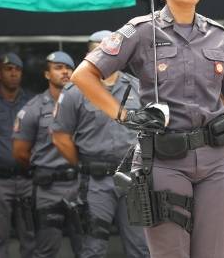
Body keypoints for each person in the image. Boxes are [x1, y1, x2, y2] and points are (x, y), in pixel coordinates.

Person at [70, 0, 224, 258]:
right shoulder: (141, 31)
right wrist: (124, 115)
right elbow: (84, 75)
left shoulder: (218, 36)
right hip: (164, 160)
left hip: (218, 161)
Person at [51, 32, 150, 258]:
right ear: (90, 55)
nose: (107, 57)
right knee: (92, 247)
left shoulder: (137, 87)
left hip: (133, 178)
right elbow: (60, 137)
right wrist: (86, 165)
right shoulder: (75, 90)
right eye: (100, 51)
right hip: (94, 181)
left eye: (112, 52)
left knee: (141, 248)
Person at [13, 51, 82, 258]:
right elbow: (20, 152)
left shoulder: (84, 103)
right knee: (46, 249)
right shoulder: (34, 108)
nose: (64, 72)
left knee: (87, 248)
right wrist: (44, 167)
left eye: (68, 68)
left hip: (80, 184)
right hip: (48, 187)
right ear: (47, 74)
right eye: (58, 68)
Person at [0, 52, 35, 258]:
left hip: (28, 179)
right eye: (8, 69)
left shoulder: (32, 102)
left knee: (31, 237)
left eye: (17, 69)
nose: (13, 73)